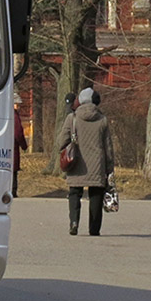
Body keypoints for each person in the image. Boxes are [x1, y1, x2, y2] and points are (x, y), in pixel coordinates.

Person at [56, 86, 115, 236]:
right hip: (97, 163)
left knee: (75, 192)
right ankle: (94, 229)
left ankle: (74, 222)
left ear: (81, 101)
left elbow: (61, 142)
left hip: (76, 162)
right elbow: (108, 146)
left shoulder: (72, 118)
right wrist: (109, 167)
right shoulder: (103, 120)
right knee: (96, 194)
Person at [12, 94, 28, 197]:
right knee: (13, 170)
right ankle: (13, 191)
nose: (19, 106)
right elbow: (18, 133)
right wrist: (24, 145)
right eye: (17, 104)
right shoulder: (14, 116)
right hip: (13, 147)